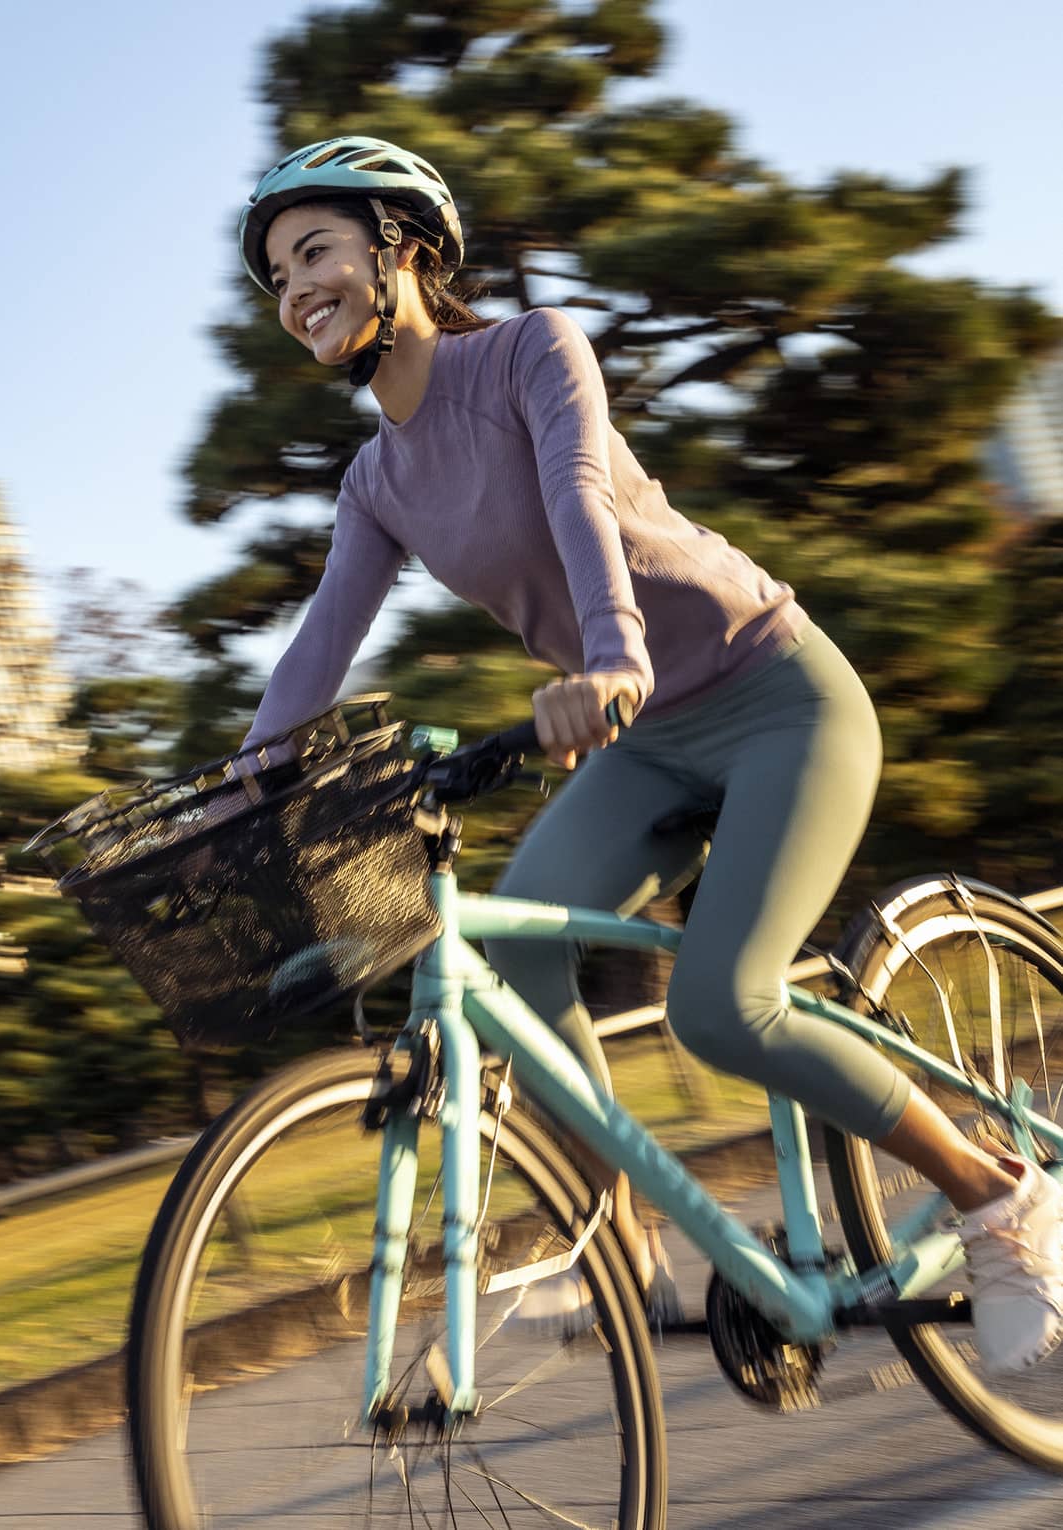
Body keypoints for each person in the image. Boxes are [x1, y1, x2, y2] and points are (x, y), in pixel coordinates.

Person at [234, 134, 1063, 1372]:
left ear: (398, 247)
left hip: (775, 692)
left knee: (724, 1007)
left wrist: (613, 659)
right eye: (275, 274)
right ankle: (614, 1226)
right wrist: (243, 778)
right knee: (508, 975)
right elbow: (319, 648)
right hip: (649, 741)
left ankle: (997, 1193)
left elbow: (577, 494)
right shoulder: (376, 480)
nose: (296, 285)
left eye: (316, 250)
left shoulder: (529, 349)